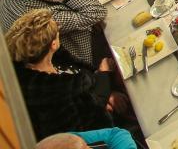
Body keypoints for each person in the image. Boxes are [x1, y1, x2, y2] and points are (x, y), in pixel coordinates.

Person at [5, 10, 116, 139]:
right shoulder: (51, 96)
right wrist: (104, 74)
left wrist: (103, 86)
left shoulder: (51, 58)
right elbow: (86, 127)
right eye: (57, 34)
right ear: (53, 44)